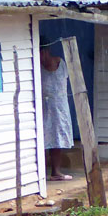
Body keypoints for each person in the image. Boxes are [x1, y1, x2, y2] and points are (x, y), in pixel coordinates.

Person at [40, 41, 74, 181]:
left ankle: (56, 171)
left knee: (57, 137)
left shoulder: (61, 63)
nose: (41, 57)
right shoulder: (37, 67)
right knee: (43, 137)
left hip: (60, 106)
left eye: (42, 53)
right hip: (44, 106)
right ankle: (41, 172)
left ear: (47, 51)